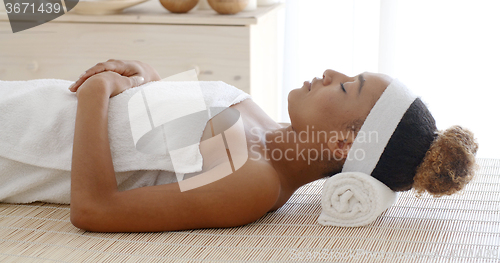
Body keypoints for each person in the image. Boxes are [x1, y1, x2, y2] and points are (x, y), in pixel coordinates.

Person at [62, 59, 477, 232]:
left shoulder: (256, 183)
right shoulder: (264, 124)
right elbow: (154, 136)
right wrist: (145, 77)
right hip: (38, 102)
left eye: (348, 86)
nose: (332, 71)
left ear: (342, 143)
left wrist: (97, 91)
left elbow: (94, 208)